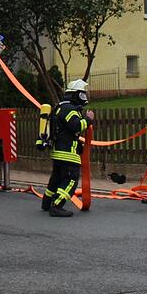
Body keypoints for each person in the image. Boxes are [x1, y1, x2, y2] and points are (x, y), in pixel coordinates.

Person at [41, 80, 94, 218]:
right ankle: (57, 206)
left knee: (56, 179)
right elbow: (76, 126)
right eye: (82, 94)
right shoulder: (69, 109)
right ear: (76, 95)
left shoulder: (60, 107)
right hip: (68, 153)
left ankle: (46, 203)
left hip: (58, 152)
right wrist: (88, 119)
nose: (84, 97)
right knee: (71, 180)